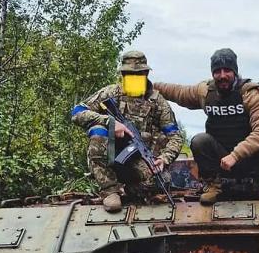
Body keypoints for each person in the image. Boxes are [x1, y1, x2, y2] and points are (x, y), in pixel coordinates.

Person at [154, 48, 259, 204]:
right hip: (219, 158)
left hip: (249, 158)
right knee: (200, 141)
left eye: (227, 70)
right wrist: (149, 85)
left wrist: (235, 155)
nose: (222, 76)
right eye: (217, 71)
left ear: (235, 71)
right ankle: (213, 185)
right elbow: (179, 92)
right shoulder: (206, 92)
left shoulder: (251, 93)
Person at [71, 51, 184, 212]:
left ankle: (131, 189)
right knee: (98, 132)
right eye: (129, 74)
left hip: (139, 158)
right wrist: (110, 122)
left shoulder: (157, 101)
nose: (134, 78)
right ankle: (109, 190)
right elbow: (77, 112)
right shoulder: (111, 93)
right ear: (123, 74)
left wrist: (164, 159)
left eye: (138, 74)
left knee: (159, 181)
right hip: (113, 154)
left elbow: (175, 136)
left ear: (145, 74)